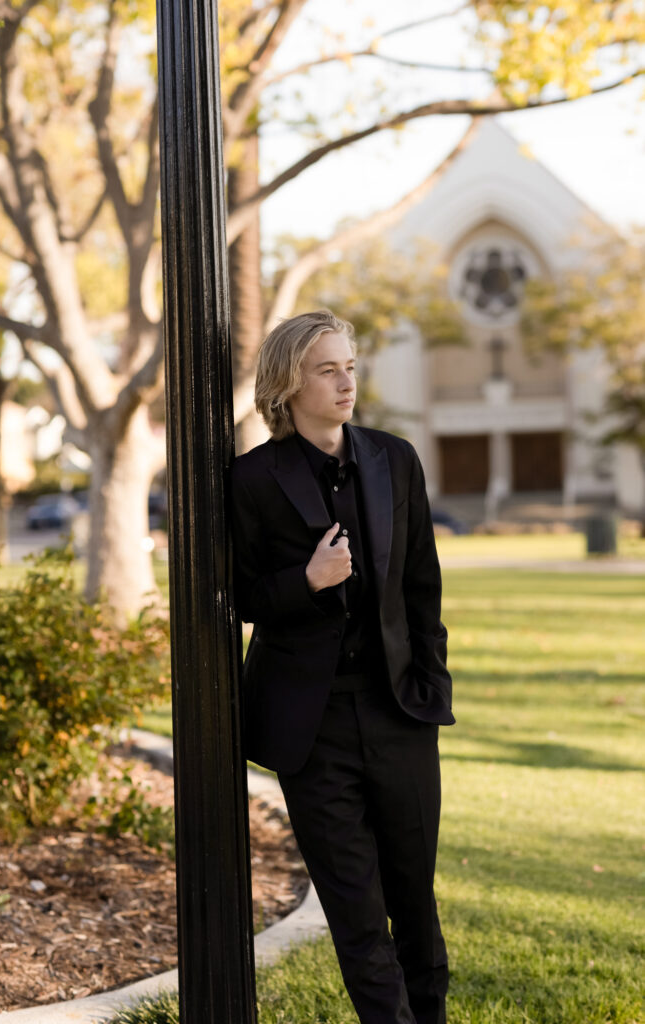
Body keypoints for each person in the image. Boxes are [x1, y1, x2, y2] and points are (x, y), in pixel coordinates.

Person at [230, 309, 454, 1024]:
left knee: (414, 907)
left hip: (399, 714)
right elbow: (237, 597)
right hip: (311, 729)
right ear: (288, 384)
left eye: (349, 367)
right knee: (358, 919)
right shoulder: (250, 479)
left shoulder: (395, 459)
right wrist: (307, 581)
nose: (345, 382)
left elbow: (421, 586)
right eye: (327, 370)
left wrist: (429, 687)